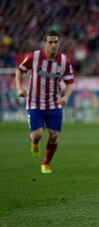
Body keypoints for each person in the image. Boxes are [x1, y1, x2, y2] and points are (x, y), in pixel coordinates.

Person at [15, 30, 74, 174]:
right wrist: (19, 87)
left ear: (59, 43)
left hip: (54, 103)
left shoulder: (64, 61)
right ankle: (34, 143)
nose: (53, 45)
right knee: (38, 135)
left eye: (56, 42)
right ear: (45, 44)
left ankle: (46, 163)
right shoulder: (34, 57)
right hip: (35, 103)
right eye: (50, 42)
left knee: (54, 135)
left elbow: (70, 82)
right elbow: (19, 70)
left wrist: (65, 97)